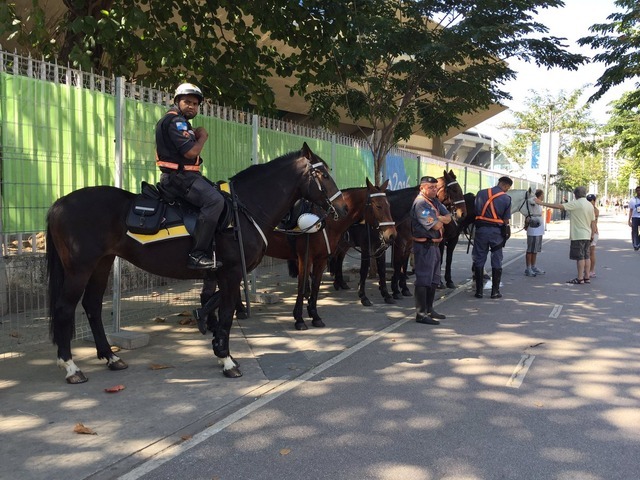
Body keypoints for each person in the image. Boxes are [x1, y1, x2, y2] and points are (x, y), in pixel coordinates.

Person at [155, 83, 224, 270]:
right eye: (187, 102)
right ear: (177, 101)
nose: (192, 106)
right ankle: (197, 254)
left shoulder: (181, 122)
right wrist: (202, 137)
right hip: (178, 179)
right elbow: (190, 153)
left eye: (195, 103)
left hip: (185, 176)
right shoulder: (176, 122)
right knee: (215, 201)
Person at [410, 176, 452, 325]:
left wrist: (438, 217)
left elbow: (449, 218)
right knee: (423, 279)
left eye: (435, 187)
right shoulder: (421, 203)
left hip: (435, 246)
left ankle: (429, 309)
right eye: (431, 187)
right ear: (422, 188)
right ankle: (421, 314)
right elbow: (435, 226)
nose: (434, 190)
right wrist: (440, 219)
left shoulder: (434, 201)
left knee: (434, 279)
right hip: (424, 246)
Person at [535, 186, 596, 284]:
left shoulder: (576, 203)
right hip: (587, 234)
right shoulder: (590, 205)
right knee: (586, 256)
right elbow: (593, 222)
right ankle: (587, 276)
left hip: (578, 234)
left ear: (575, 195)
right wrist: (592, 233)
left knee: (580, 257)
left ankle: (580, 278)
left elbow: (559, 206)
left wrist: (542, 203)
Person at [472, 176, 513, 299]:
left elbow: (476, 211)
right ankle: (495, 292)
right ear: (505, 186)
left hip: (480, 231)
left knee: (479, 258)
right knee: (496, 259)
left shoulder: (480, 193)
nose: (506, 190)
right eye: (507, 188)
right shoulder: (506, 198)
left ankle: (479, 291)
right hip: (496, 233)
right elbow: (505, 220)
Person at [524, 189, 546, 277]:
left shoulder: (539, 204)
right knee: (530, 250)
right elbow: (528, 210)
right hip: (533, 229)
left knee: (535, 250)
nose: (543, 196)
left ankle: (533, 267)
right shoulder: (532, 201)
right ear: (540, 195)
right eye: (543, 194)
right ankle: (528, 268)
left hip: (539, 229)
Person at [586, 194, 599, 278]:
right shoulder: (587, 209)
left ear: (594, 201)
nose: (590, 203)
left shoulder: (595, 210)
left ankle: (591, 270)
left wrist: (592, 234)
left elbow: (593, 223)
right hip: (586, 232)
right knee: (586, 253)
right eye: (588, 201)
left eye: (591, 201)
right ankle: (586, 269)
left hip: (593, 232)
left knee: (591, 252)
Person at [628, 186, 640, 251]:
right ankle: (635, 244)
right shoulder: (633, 200)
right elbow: (631, 210)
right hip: (635, 217)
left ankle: (638, 242)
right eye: (637, 190)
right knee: (634, 232)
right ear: (636, 191)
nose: (639, 192)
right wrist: (629, 220)